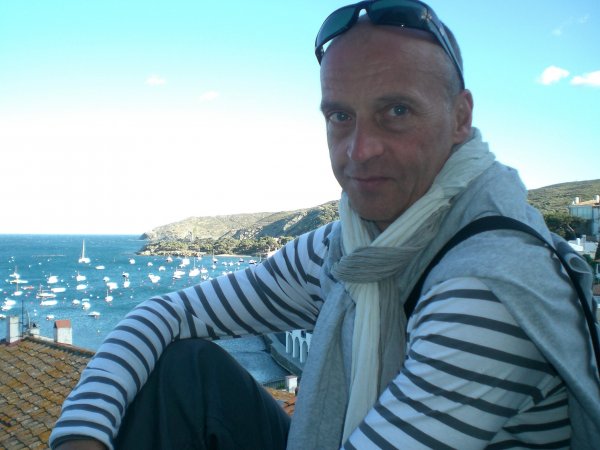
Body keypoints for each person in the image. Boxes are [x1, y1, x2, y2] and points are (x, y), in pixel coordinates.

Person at [51, 1, 600, 449]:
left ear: (460, 117)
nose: (359, 150)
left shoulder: (489, 285)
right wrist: (82, 434)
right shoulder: (349, 250)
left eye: (396, 111)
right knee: (186, 371)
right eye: (340, 116)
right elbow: (169, 314)